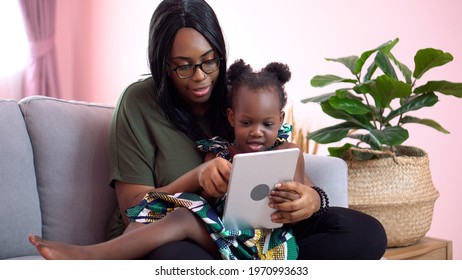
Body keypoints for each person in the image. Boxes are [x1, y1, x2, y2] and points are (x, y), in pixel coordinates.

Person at [30, 0, 387, 260]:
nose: (200, 76)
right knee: (175, 259)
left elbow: (284, 157)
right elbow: (134, 211)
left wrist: (311, 200)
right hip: (178, 232)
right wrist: (198, 176)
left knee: (365, 233)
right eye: (183, 67)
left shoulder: (237, 91)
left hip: (254, 230)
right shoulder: (139, 103)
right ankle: (93, 258)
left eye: (208, 61)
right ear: (162, 65)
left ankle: (254, 262)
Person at [27, 59, 314, 260]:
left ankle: (91, 256)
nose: (256, 133)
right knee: (153, 216)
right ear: (231, 118)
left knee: (181, 219)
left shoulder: (287, 152)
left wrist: (301, 199)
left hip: (263, 247)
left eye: (267, 124)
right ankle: (97, 254)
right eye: (247, 122)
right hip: (226, 238)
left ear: (280, 120)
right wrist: (210, 180)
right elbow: (200, 195)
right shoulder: (218, 152)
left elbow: (303, 196)